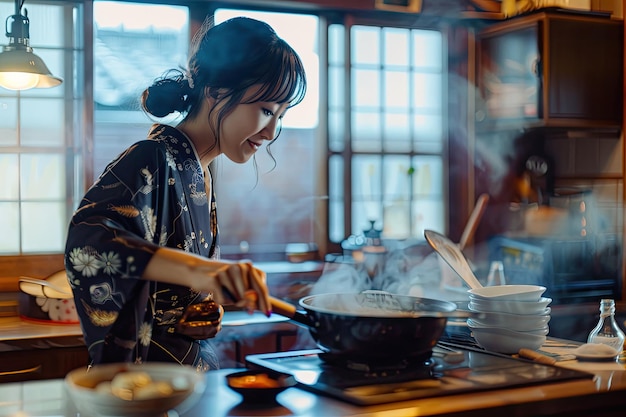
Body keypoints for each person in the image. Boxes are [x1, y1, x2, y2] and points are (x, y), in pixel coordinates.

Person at [64, 16, 307, 370]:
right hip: (141, 390)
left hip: (183, 383)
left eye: (281, 115)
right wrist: (204, 271)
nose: (272, 131)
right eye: (266, 110)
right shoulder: (152, 157)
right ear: (217, 91)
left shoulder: (201, 172)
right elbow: (90, 243)